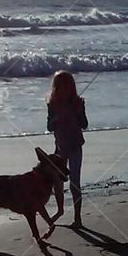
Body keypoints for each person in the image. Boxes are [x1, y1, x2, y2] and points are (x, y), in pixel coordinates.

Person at [46, 71, 88, 228]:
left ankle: (78, 218)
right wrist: (58, 118)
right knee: (57, 182)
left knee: (74, 182)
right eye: (60, 86)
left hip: (75, 146)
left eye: (67, 86)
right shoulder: (52, 105)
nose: (64, 89)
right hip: (60, 147)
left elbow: (84, 124)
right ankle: (60, 210)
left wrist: (78, 112)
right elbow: (49, 126)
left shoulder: (77, 102)